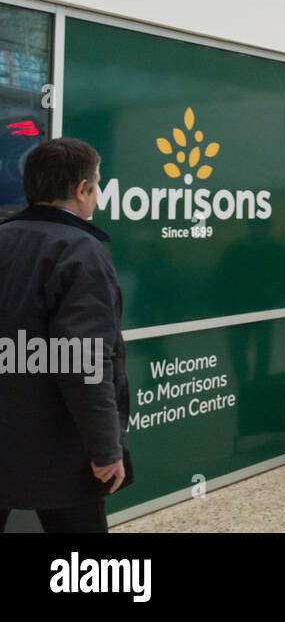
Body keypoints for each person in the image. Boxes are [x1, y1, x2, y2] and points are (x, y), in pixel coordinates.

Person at [0, 138, 129, 532]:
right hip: (56, 446)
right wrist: (107, 449)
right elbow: (82, 362)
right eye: (97, 184)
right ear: (81, 190)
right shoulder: (78, 250)